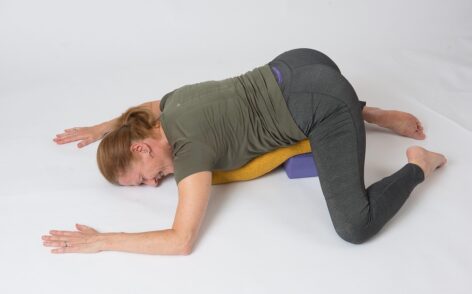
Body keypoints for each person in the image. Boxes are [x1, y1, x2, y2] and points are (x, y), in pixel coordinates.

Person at [42, 48, 447, 255]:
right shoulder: (171, 106)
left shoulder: (190, 155)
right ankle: (371, 112)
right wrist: (100, 128)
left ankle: (419, 166)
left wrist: (104, 241)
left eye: (143, 176)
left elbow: (180, 240)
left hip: (323, 101)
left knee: (355, 227)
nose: (152, 184)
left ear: (141, 146)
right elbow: (141, 109)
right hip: (299, 61)